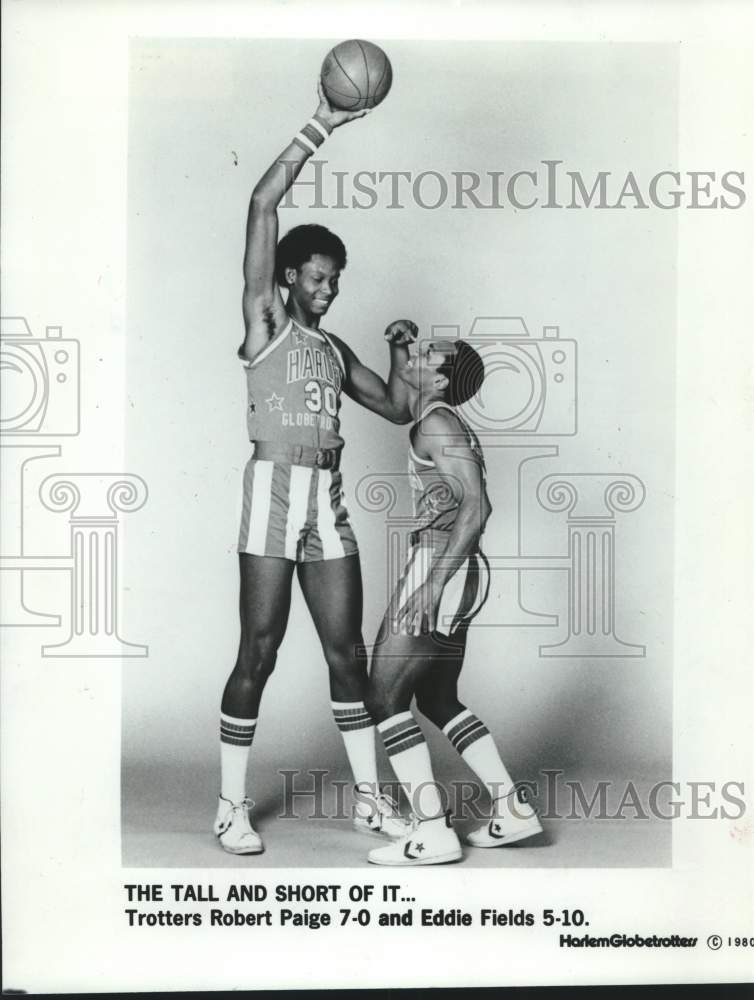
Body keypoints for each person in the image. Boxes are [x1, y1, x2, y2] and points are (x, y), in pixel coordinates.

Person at [214, 84, 415, 854]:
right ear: (291, 277)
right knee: (258, 651)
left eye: (337, 281)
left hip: (325, 503)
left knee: (347, 654)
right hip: (271, 493)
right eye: (320, 277)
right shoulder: (264, 321)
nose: (330, 290)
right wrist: (322, 125)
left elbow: (398, 408)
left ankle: (371, 801)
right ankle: (230, 807)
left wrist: (400, 345)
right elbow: (263, 205)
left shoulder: (335, 352)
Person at [364, 336, 543, 865]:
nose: (411, 361)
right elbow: (399, 393)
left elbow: (477, 506)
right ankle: (511, 809)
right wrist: (399, 347)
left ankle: (431, 830)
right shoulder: (436, 418)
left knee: (383, 697)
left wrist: (434, 581)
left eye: (422, 358)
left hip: (442, 564)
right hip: (463, 568)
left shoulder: (436, 424)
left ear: (440, 381)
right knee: (438, 699)